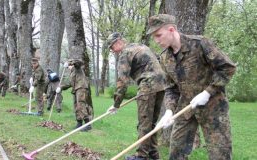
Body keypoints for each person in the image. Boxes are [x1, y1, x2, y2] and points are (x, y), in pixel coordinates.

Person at [147, 14, 236, 160]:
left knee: (220, 154)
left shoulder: (200, 44)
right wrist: (169, 110)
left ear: (171, 30)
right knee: (176, 152)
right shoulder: (165, 57)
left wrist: (208, 92)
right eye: (153, 37)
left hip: (213, 107)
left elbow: (228, 68)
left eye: (158, 35)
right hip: (185, 108)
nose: (156, 41)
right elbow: (171, 88)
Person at [106, 32, 166, 160]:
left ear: (118, 42)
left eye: (112, 48)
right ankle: (153, 154)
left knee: (144, 122)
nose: (113, 51)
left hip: (148, 84)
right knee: (152, 123)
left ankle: (141, 156)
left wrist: (116, 104)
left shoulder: (125, 54)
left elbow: (122, 82)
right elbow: (159, 59)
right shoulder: (140, 46)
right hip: (162, 84)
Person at [59, 59, 93, 132]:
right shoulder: (72, 73)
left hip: (81, 88)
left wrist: (69, 62)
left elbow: (79, 62)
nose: (69, 67)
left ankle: (88, 124)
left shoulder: (77, 67)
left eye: (69, 66)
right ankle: (79, 123)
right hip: (76, 90)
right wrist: (61, 87)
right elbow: (70, 83)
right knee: (76, 106)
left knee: (81, 105)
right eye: (68, 67)